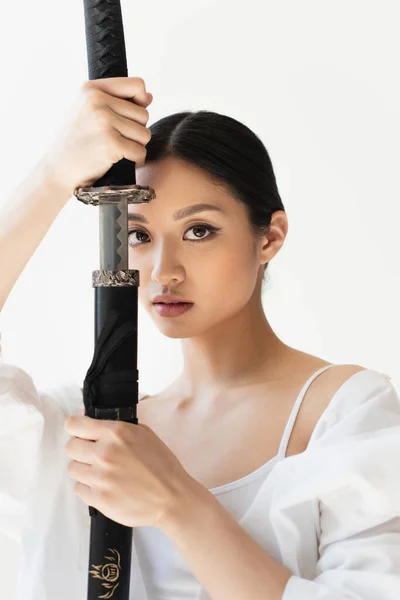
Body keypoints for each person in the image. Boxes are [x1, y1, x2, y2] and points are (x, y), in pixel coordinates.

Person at [0, 77, 399, 600]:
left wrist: (178, 502)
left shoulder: (346, 415)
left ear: (269, 237)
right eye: (139, 235)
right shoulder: (92, 430)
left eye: (199, 231)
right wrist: (52, 176)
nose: (164, 271)